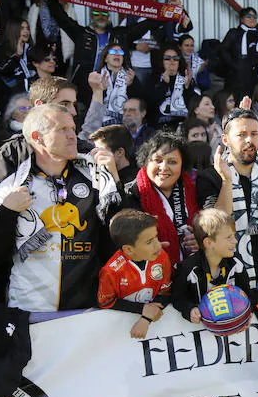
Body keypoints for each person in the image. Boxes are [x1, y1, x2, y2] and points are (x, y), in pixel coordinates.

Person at [0, 103, 119, 311]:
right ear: (37, 137)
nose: (72, 135)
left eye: (72, 129)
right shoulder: (11, 187)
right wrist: (8, 213)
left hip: (86, 310)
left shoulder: (95, 178)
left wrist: (114, 178)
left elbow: (118, 233)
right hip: (29, 309)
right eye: (62, 129)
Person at [197, 109, 258, 289]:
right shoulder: (211, 176)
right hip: (233, 276)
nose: (249, 140)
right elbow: (216, 224)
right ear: (226, 140)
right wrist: (227, 181)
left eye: (254, 134)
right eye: (241, 135)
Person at [47, 0, 160, 105]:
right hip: (86, 86)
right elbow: (60, 18)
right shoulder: (81, 34)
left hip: (116, 85)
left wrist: (166, 11)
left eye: (105, 13)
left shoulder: (120, 34)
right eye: (96, 13)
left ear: (109, 16)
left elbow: (146, 25)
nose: (101, 16)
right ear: (91, 16)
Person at [115, 132, 199, 265]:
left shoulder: (193, 189)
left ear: (182, 165)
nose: (164, 167)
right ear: (146, 161)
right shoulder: (131, 194)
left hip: (192, 272)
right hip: (150, 274)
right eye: (158, 160)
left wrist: (201, 238)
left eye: (172, 162)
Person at [98, 209, 171, 339]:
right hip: (121, 336)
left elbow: (165, 292)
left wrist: (146, 319)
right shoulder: (111, 271)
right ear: (129, 249)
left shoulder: (162, 257)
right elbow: (105, 302)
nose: (157, 245)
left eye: (156, 237)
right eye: (149, 241)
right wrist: (142, 310)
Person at [172, 208, 249, 324]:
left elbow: (247, 294)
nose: (235, 241)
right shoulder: (187, 269)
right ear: (208, 243)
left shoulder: (236, 263)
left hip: (231, 332)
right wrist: (190, 310)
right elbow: (177, 299)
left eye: (234, 236)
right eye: (229, 237)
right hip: (196, 331)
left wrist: (246, 314)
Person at [151, 43, 196, 129]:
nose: (172, 62)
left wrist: (187, 88)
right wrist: (164, 84)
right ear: (162, 61)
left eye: (175, 58)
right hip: (160, 124)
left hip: (183, 124)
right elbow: (150, 104)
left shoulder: (186, 78)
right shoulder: (154, 78)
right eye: (167, 58)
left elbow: (193, 106)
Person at [219, 7, 258, 96]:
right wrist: (233, 65)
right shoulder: (234, 33)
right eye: (249, 16)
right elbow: (223, 50)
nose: (252, 19)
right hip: (235, 73)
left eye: (254, 17)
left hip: (252, 73)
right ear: (242, 19)